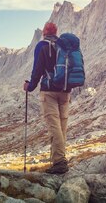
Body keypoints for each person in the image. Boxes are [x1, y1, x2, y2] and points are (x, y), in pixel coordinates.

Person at [23, 22, 71, 174]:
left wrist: (30, 86)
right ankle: (59, 161)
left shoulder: (42, 46)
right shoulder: (63, 46)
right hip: (65, 91)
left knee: (54, 126)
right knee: (62, 126)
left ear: (44, 32)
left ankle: (60, 162)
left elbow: (37, 70)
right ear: (56, 32)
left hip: (49, 91)